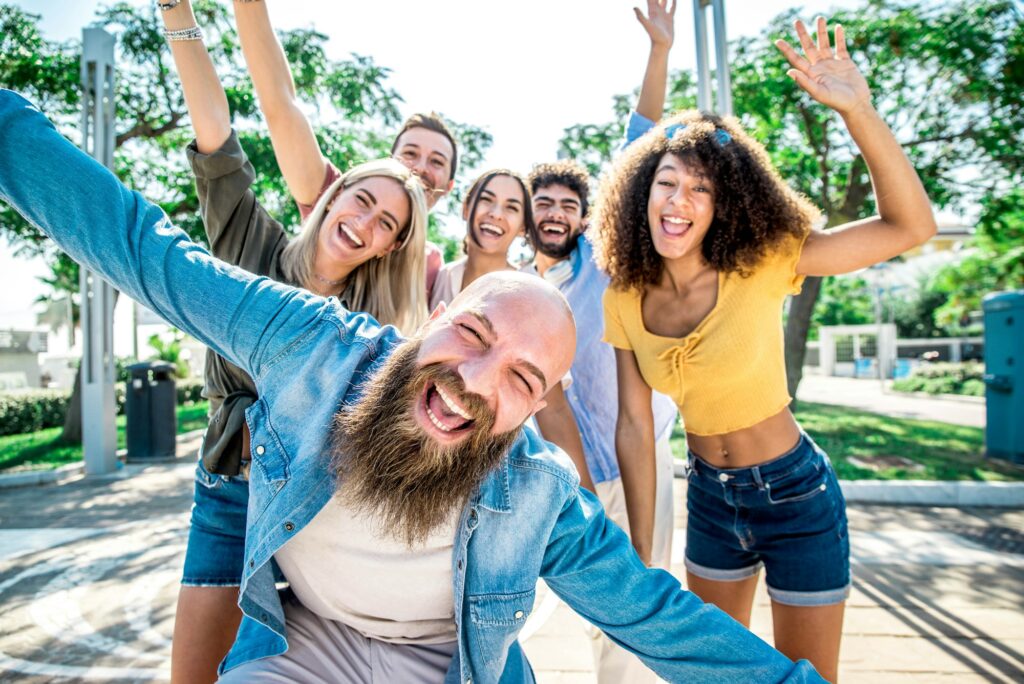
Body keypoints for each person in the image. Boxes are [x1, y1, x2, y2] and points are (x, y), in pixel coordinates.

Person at [0, 87, 827, 684]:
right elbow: (147, 251)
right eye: (471, 333)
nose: (471, 382)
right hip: (306, 646)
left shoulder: (537, 489)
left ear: (536, 409)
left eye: (519, 378)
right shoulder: (313, 347)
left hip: (451, 663)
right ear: (431, 318)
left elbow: (651, 614)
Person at [594, 18, 937, 682]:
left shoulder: (767, 260)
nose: (681, 200)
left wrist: (856, 111)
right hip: (711, 503)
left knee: (805, 678)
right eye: (668, 181)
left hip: (796, 496)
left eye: (702, 189)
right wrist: (643, 553)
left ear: (724, 206)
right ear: (643, 193)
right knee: (712, 675)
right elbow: (635, 427)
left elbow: (911, 226)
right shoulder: (623, 297)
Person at [158, 2, 427, 680]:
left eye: (386, 223)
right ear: (332, 197)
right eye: (361, 199)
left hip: (314, 517)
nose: (365, 222)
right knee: (193, 672)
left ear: (390, 246)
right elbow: (216, 135)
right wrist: (175, 14)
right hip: (227, 492)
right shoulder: (253, 244)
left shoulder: (371, 328)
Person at [521, 1, 679, 680]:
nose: (556, 213)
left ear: (584, 217)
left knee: (636, 617)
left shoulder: (605, 264)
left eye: (568, 205)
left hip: (639, 464)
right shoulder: (512, 292)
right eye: (544, 203)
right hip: (560, 478)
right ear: (527, 215)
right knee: (558, 608)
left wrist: (659, 53)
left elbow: (640, 146)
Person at [228, 0, 458, 296]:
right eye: (410, 153)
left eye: (437, 161)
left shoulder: (431, 265)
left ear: (449, 187)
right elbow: (281, 107)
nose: (420, 167)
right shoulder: (336, 196)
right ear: (389, 159)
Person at [431, 168, 595, 491]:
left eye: (511, 207)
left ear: (523, 228)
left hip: (492, 465)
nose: (495, 213)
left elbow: (556, 411)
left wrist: (588, 502)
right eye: (487, 200)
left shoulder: (532, 296)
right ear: (466, 208)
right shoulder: (439, 278)